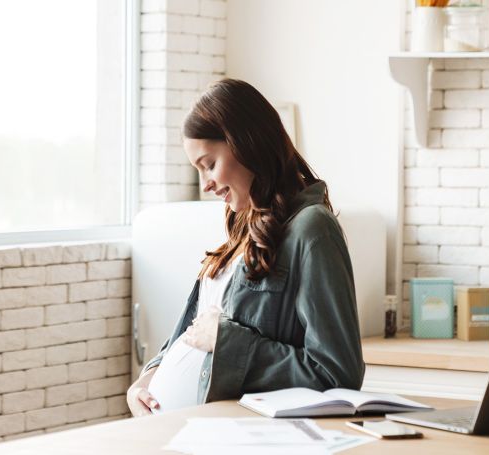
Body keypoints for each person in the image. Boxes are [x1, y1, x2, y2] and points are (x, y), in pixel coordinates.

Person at [126, 78, 365, 417]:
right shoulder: (243, 228)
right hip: (178, 431)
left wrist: (229, 343)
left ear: (246, 143)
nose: (206, 183)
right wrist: (144, 383)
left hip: (238, 436)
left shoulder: (311, 230)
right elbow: (189, 335)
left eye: (209, 164)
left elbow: (337, 374)